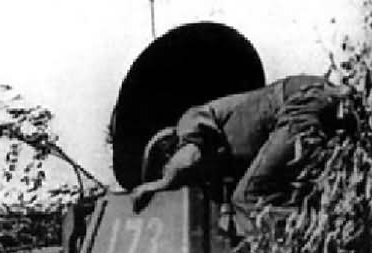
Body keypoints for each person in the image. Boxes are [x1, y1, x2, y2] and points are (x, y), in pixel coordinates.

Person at [131, 75, 353, 222]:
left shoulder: (187, 123)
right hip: (306, 102)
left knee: (246, 199)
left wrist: (159, 184)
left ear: (167, 151)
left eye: (166, 166)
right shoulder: (221, 158)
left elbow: (190, 157)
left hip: (298, 105)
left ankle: (309, 244)